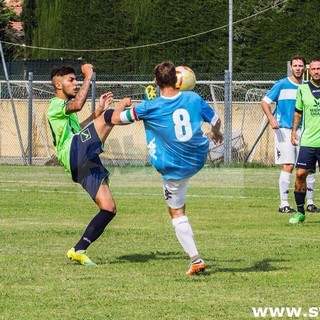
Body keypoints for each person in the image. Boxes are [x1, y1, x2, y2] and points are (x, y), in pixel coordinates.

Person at [111, 61, 223, 275]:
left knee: (176, 212)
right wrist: (216, 134)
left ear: (155, 81)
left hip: (173, 168)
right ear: (177, 79)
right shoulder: (193, 98)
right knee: (183, 138)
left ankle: (196, 259)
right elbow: (216, 120)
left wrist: (122, 104)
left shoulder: (149, 107)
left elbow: (116, 119)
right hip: (198, 158)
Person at [47, 64, 122, 266]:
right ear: (58, 84)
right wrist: (88, 76)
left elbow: (78, 129)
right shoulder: (55, 105)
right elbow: (78, 105)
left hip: (79, 159)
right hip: (73, 153)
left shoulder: (66, 111)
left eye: (76, 79)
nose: (75, 82)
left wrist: (97, 112)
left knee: (109, 208)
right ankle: (147, 112)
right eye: (71, 80)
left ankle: (79, 249)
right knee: (110, 117)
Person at [261, 55, 319, 214]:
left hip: (305, 132)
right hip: (284, 131)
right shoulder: (281, 84)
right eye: (295, 66)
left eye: (301, 66)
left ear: (305, 68)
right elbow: (264, 102)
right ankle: (284, 203)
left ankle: (310, 202)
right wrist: (271, 118)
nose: (298, 68)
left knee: (309, 168)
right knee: (288, 165)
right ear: (291, 67)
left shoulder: (308, 86)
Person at [289, 58, 320, 223]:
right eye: (313, 69)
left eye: (319, 68)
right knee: (300, 174)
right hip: (308, 142)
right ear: (310, 71)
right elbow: (298, 112)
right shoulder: (302, 89)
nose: (316, 71)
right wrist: (294, 131)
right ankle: (300, 212)